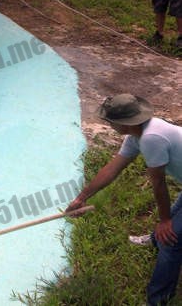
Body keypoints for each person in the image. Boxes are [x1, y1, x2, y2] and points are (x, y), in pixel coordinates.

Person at [66, 93, 182, 306]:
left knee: (172, 240)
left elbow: (158, 184)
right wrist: (81, 198)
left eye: (109, 121)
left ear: (122, 123)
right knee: (172, 222)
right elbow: (112, 169)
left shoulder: (151, 138)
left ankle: (157, 300)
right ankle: (155, 238)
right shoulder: (137, 136)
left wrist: (164, 221)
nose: (107, 124)